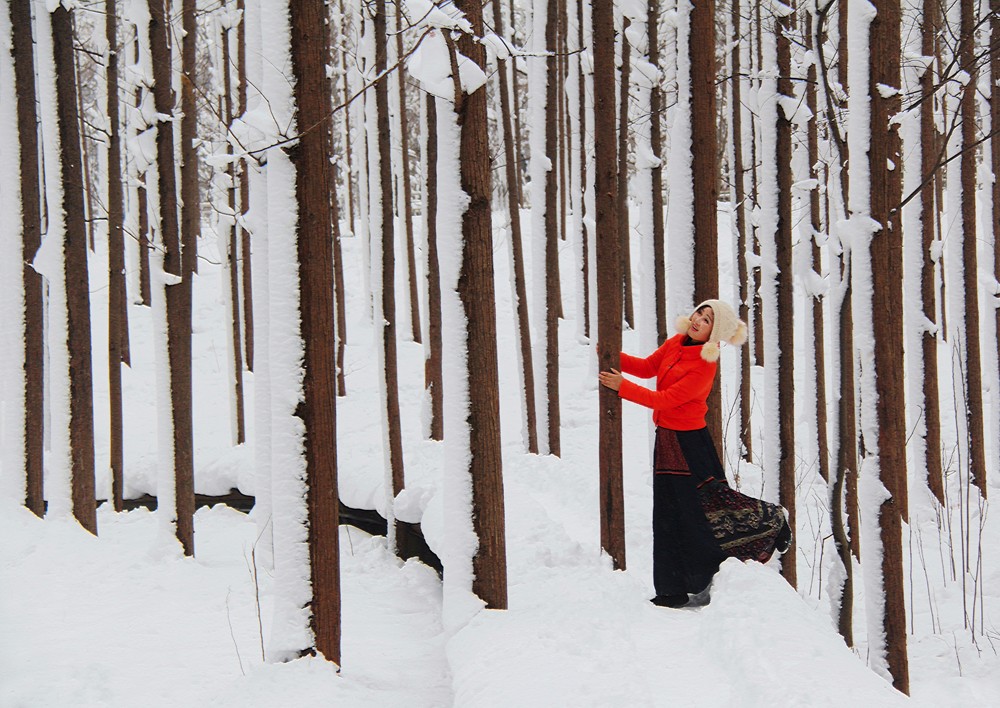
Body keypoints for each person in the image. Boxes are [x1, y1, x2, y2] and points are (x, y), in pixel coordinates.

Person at [598, 299, 790, 609]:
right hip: (667, 440)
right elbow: (648, 367)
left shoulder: (704, 365)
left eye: (709, 319)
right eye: (700, 313)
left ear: (717, 333)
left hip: (690, 445)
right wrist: (608, 353)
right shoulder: (675, 342)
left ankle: (772, 520)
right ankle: (671, 591)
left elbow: (666, 399)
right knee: (667, 516)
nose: (699, 319)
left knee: (706, 510)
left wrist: (623, 387)